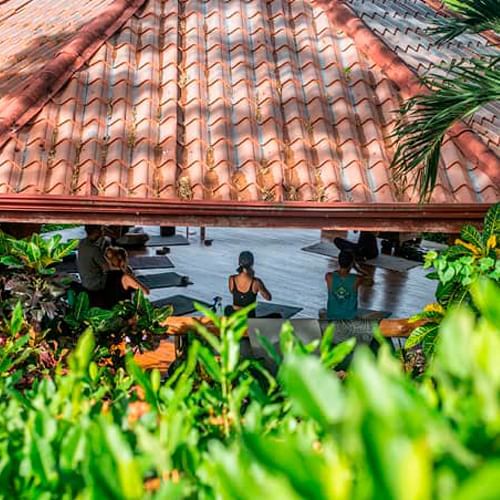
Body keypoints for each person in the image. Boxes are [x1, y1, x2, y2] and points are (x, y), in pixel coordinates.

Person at [225, 251, 272, 317]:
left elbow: (232, 292)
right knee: (277, 315)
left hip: (235, 315)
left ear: (239, 263)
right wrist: (256, 282)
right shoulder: (256, 282)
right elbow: (268, 298)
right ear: (252, 264)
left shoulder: (231, 279)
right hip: (249, 317)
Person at [325, 250, 364, 320]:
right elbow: (370, 280)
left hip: (332, 316)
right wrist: (357, 269)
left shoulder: (329, 276)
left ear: (339, 261)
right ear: (352, 264)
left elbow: (336, 273)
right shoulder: (357, 279)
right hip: (349, 318)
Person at [77, 225, 108, 307]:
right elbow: (106, 267)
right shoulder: (94, 250)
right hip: (95, 284)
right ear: (96, 232)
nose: (102, 233)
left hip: (85, 281)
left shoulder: (82, 243)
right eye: (101, 230)